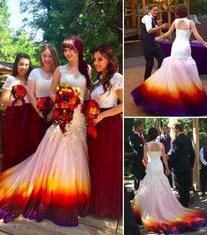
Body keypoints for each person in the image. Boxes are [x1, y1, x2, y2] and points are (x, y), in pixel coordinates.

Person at [0, 36, 91, 226]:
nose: (68, 53)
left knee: (76, 157)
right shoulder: (60, 70)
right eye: (65, 50)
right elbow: (52, 91)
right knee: (55, 156)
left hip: (79, 119)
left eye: (71, 50)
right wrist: (61, 102)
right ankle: (55, 195)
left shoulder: (87, 69)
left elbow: (88, 94)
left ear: (78, 50)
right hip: (60, 116)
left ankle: (73, 195)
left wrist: (84, 106)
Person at [131, 4, 207, 116]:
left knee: (174, 69)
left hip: (175, 48)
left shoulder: (175, 21)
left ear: (177, 13)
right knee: (185, 70)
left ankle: (170, 95)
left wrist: (159, 38)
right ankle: (184, 95)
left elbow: (167, 33)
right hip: (185, 48)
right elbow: (197, 36)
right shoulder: (190, 22)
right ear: (187, 13)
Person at [132, 127, 207, 234]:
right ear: (157, 135)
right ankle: (165, 208)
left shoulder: (146, 145)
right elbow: (165, 159)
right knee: (162, 186)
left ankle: (153, 211)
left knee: (149, 187)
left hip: (152, 167)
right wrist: (167, 169)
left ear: (149, 134)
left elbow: (145, 160)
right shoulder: (161, 145)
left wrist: (145, 164)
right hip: (159, 167)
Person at [88, 43, 123, 219]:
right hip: (95, 125)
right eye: (95, 59)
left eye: (100, 59)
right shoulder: (96, 81)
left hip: (109, 124)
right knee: (95, 162)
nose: (96, 62)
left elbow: (123, 105)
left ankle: (108, 206)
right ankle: (96, 203)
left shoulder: (117, 78)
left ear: (109, 59)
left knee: (108, 164)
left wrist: (103, 116)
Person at [1, 53, 33, 171]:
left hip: (29, 114)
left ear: (29, 67)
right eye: (21, 64)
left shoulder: (30, 80)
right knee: (14, 145)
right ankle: (11, 172)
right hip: (14, 115)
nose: (23, 67)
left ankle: (23, 173)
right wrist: (16, 103)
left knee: (26, 144)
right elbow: (3, 100)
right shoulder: (11, 79)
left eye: (26, 65)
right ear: (16, 65)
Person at [27, 44, 59, 154]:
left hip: (55, 112)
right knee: (36, 143)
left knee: (53, 146)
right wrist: (39, 112)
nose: (47, 59)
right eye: (44, 55)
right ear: (41, 56)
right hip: (37, 112)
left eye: (50, 56)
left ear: (54, 57)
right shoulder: (34, 72)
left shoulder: (58, 73)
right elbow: (30, 94)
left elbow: (60, 95)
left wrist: (52, 113)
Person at [169, 123, 195, 208]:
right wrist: (191, 165)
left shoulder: (176, 140)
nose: (173, 131)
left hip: (178, 167)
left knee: (180, 187)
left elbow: (174, 154)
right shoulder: (188, 139)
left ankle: (183, 206)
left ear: (177, 129)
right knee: (186, 186)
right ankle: (186, 204)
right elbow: (192, 153)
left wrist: (170, 165)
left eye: (174, 129)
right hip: (187, 166)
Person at [140, 4, 167, 80]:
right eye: (154, 10)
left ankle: (160, 77)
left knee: (162, 58)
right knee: (150, 62)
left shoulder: (153, 18)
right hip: (146, 43)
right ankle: (146, 79)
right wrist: (161, 26)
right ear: (149, 10)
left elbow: (154, 29)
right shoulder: (147, 18)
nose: (156, 11)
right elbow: (149, 30)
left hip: (153, 42)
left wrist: (157, 24)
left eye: (156, 10)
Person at [129, 120, 146, 190]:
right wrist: (144, 146)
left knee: (145, 178)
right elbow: (135, 146)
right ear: (136, 127)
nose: (142, 128)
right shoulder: (132, 136)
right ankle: (136, 193)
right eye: (140, 126)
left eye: (143, 126)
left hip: (145, 161)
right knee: (137, 178)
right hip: (137, 161)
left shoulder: (145, 136)